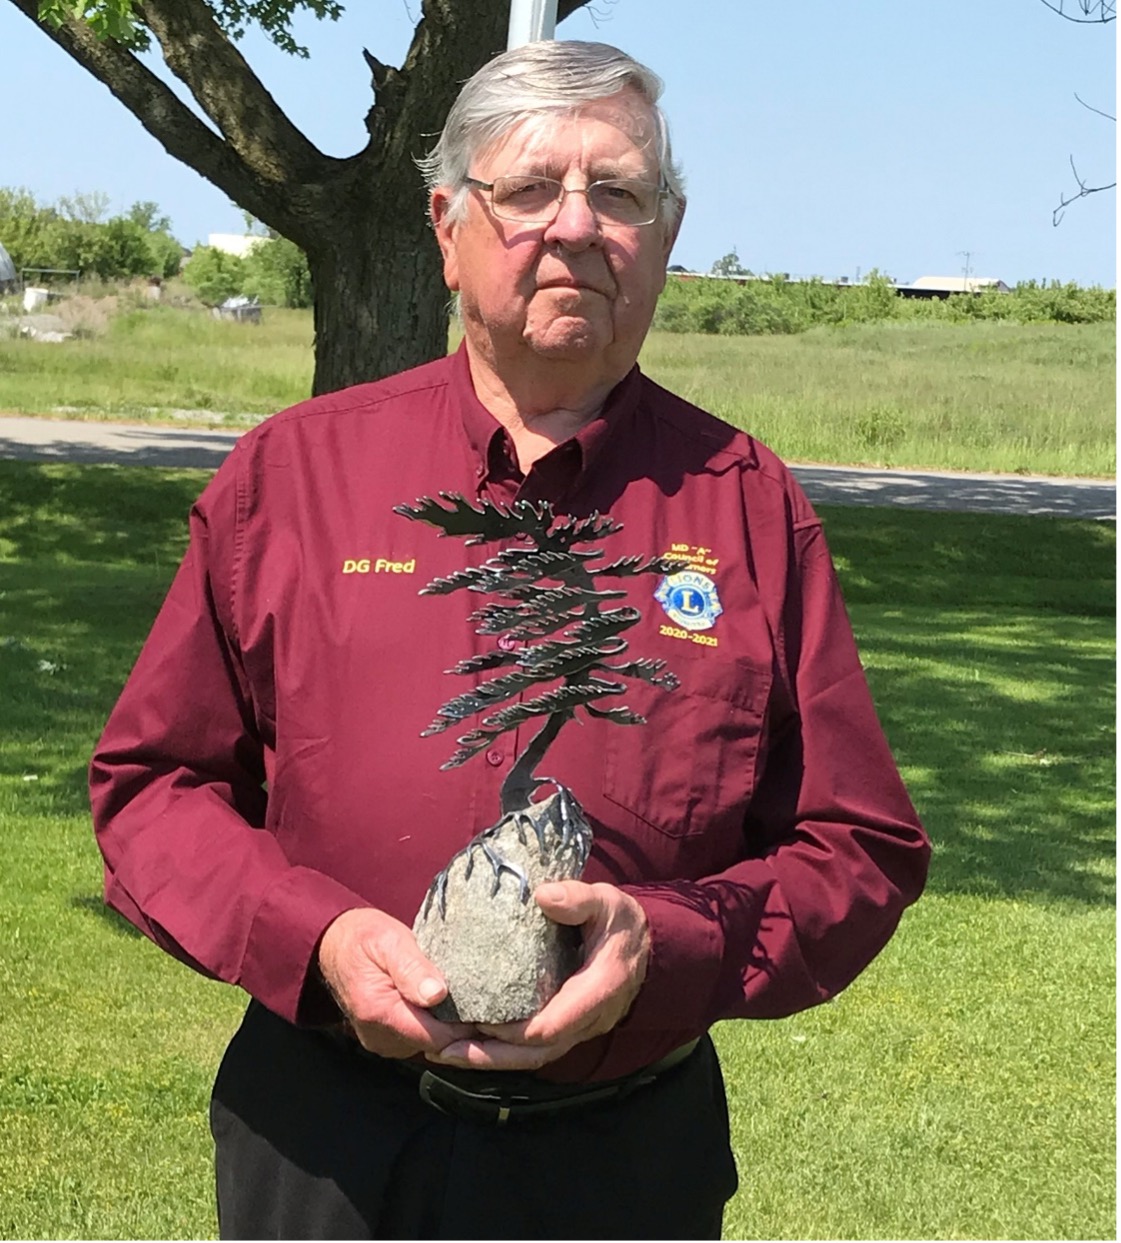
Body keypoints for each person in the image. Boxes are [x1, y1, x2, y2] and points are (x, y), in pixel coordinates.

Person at [90, 39, 930, 1241]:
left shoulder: (746, 504)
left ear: (668, 233)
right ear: (446, 223)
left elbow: (855, 846)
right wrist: (315, 939)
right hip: (326, 1143)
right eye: (530, 189)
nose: (576, 227)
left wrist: (670, 946)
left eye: (620, 194)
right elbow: (153, 790)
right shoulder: (294, 476)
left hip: (621, 1165)